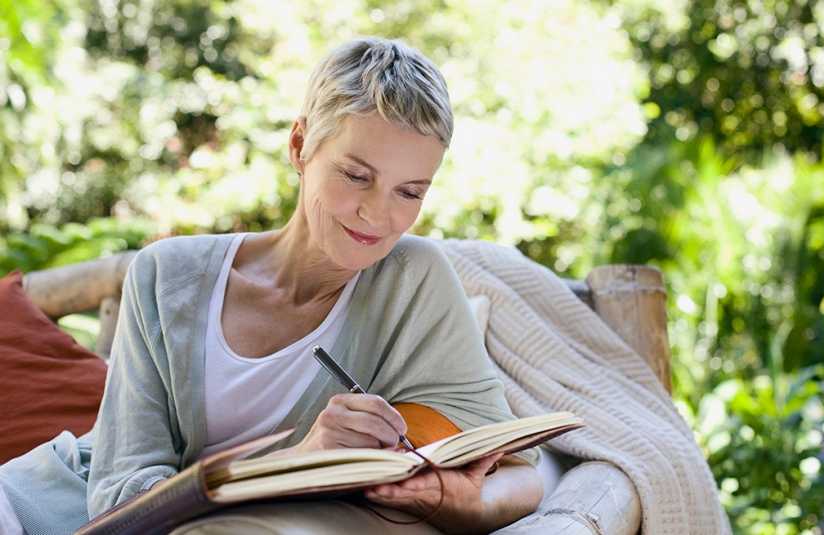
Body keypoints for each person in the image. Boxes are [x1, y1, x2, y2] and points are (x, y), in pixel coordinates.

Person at [0, 36, 544, 535]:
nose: (377, 215)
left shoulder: (413, 283)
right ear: (300, 144)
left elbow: (521, 473)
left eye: (410, 192)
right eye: (356, 175)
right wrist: (299, 460)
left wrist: (457, 502)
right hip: (45, 506)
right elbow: (122, 494)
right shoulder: (166, 275)